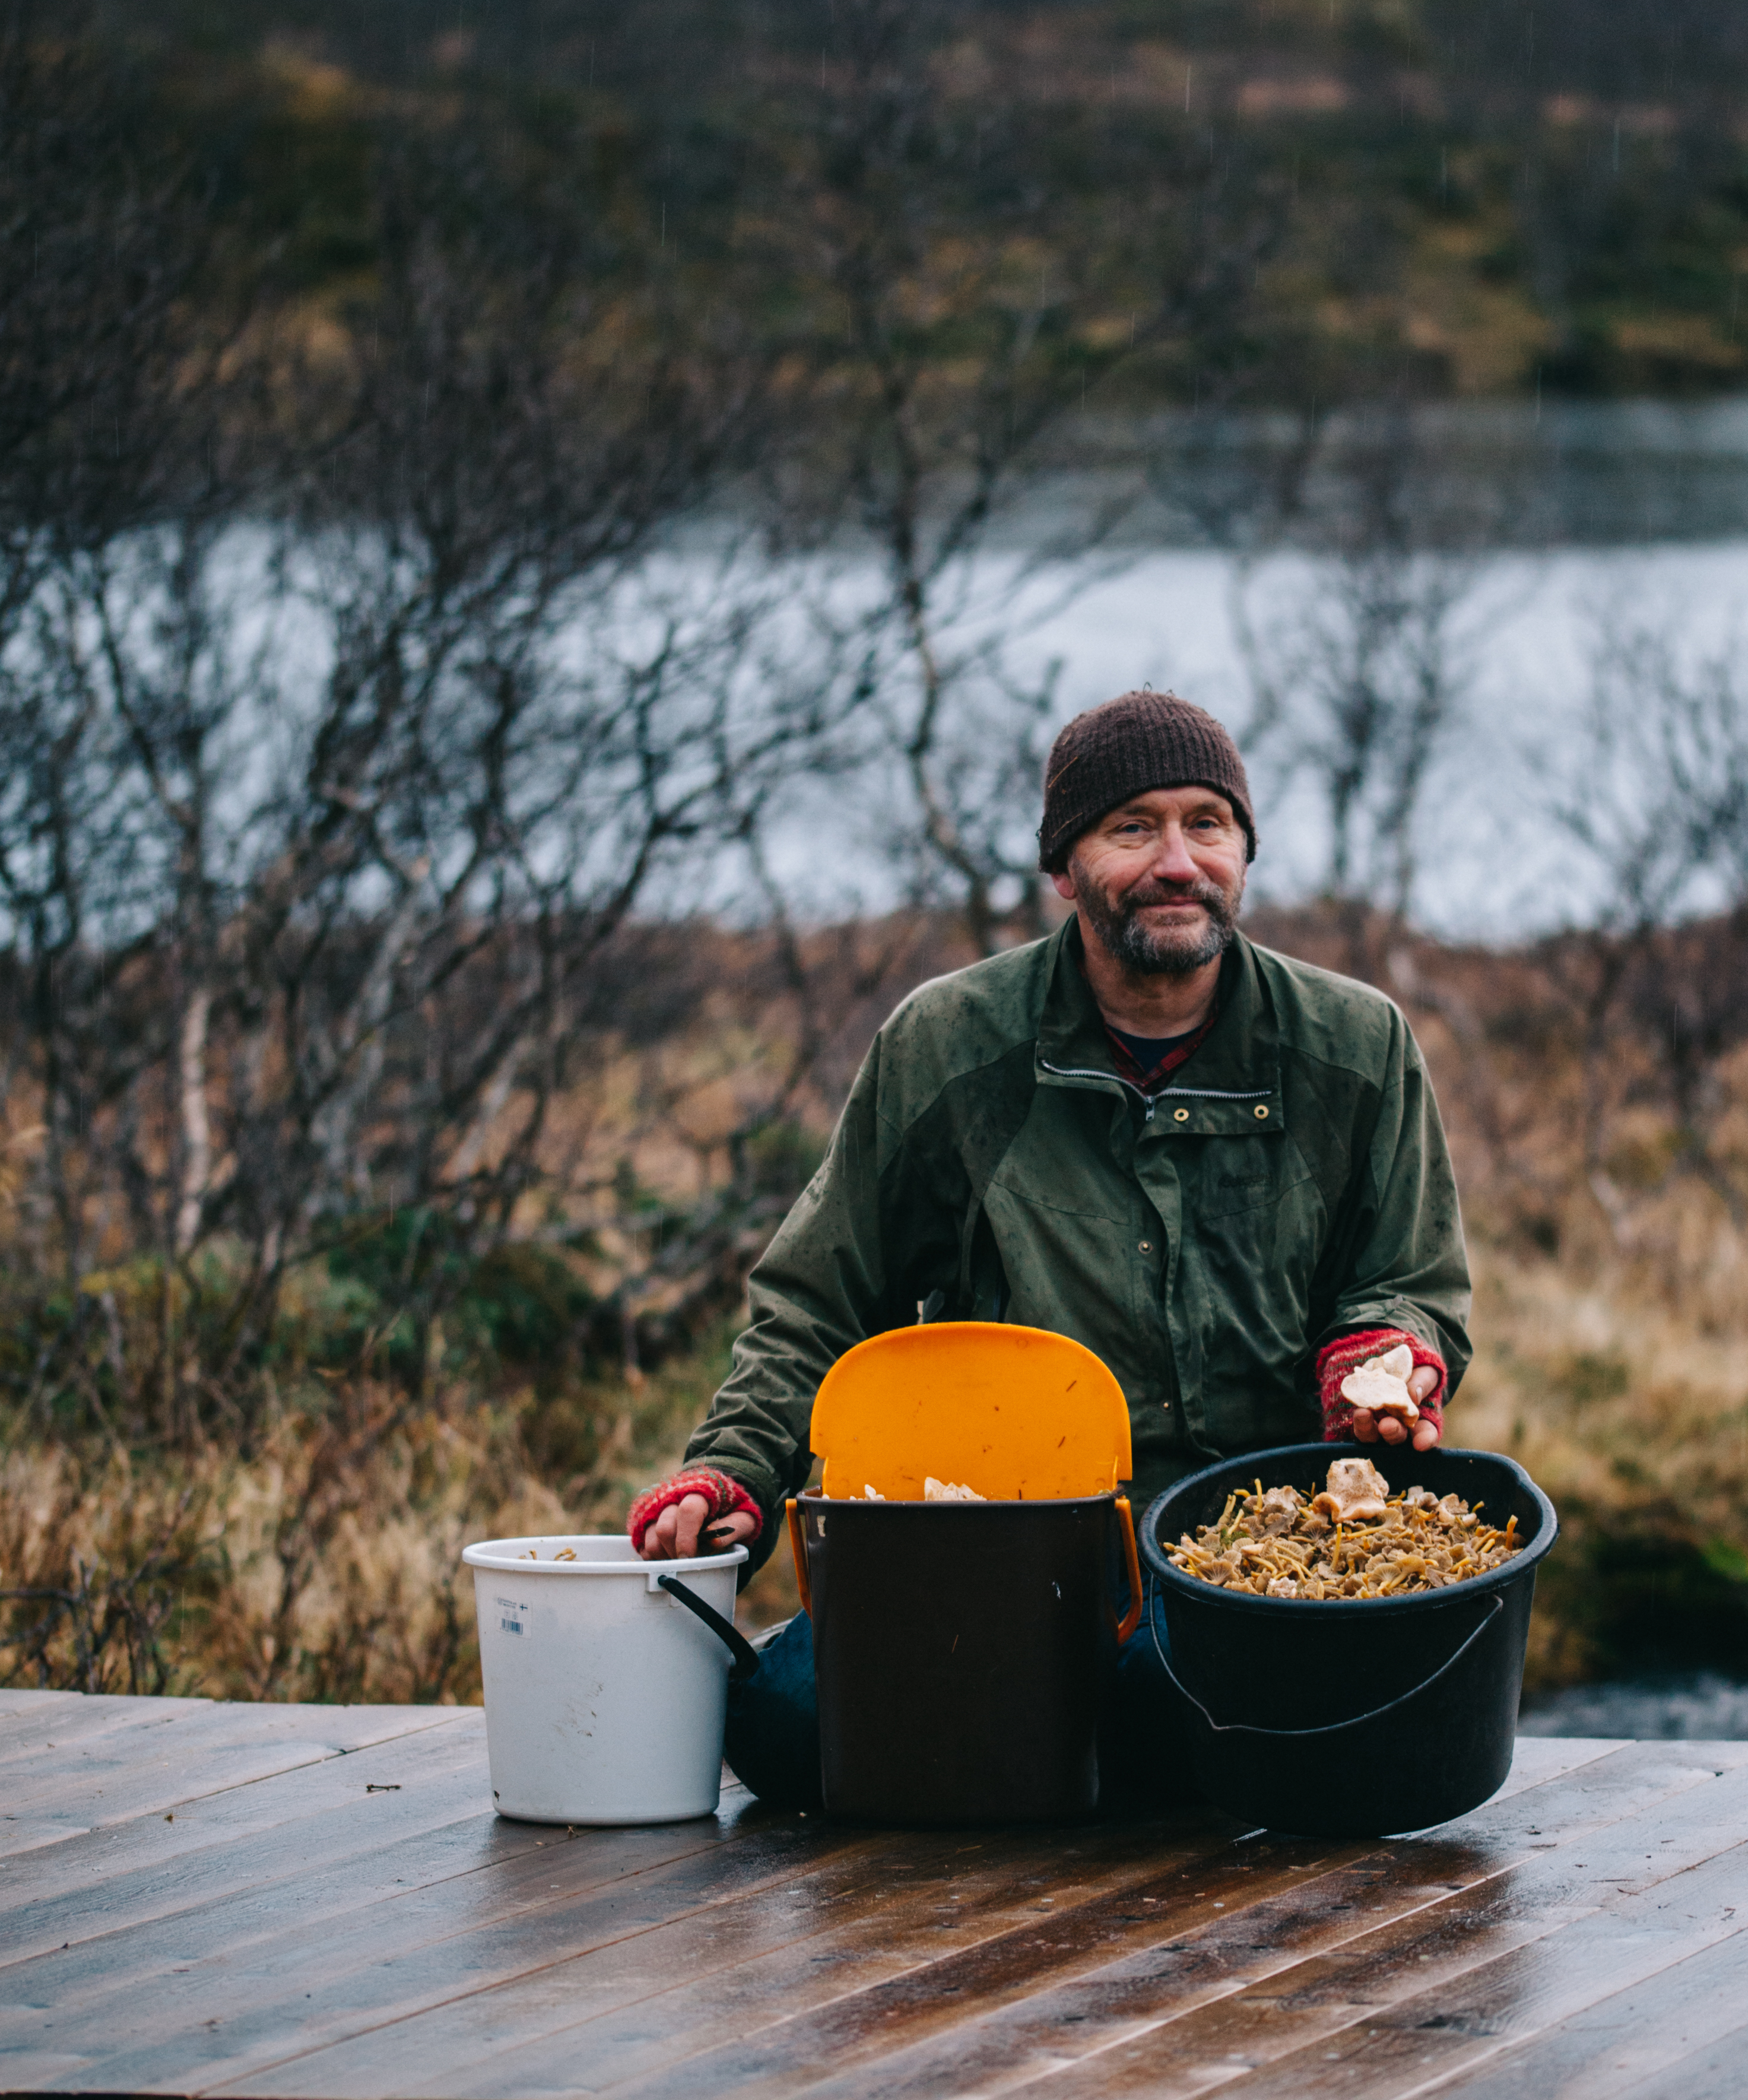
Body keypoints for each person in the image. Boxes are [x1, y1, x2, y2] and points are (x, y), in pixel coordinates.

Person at [628, 690, 1471, 1806]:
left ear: (1244, 854)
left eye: (1208, 825)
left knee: (1189, 1699)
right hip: (1009, 1551)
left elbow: (1409, 1285)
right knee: (781, 1724)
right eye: (1133, 828)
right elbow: (818, 1302)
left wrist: (1382, 1360)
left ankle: (1074, 1751)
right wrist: (733, 1466)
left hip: (1264, 1554)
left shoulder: (1355, 1046)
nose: (1179, 862)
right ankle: (1099, 1747)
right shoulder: (951, 1045)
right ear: (1064, 868)